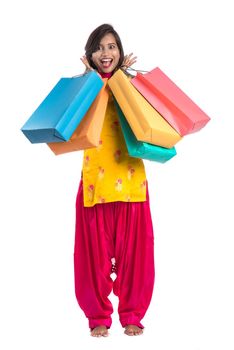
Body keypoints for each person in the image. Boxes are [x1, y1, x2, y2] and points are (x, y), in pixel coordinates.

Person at [74, 23, 155, 337]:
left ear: (120, 52)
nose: (105, 53)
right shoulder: (86, 87)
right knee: (91, 255)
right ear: (90, 54)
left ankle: (132, 314)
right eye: (99, 47)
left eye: (111, 46)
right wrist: (85, 81)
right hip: (96, 185)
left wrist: (128, 81)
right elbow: (72, 123)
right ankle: (97, 316)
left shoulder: (130, 85)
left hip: (130, 181)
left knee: (136, 253)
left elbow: (147, 120)